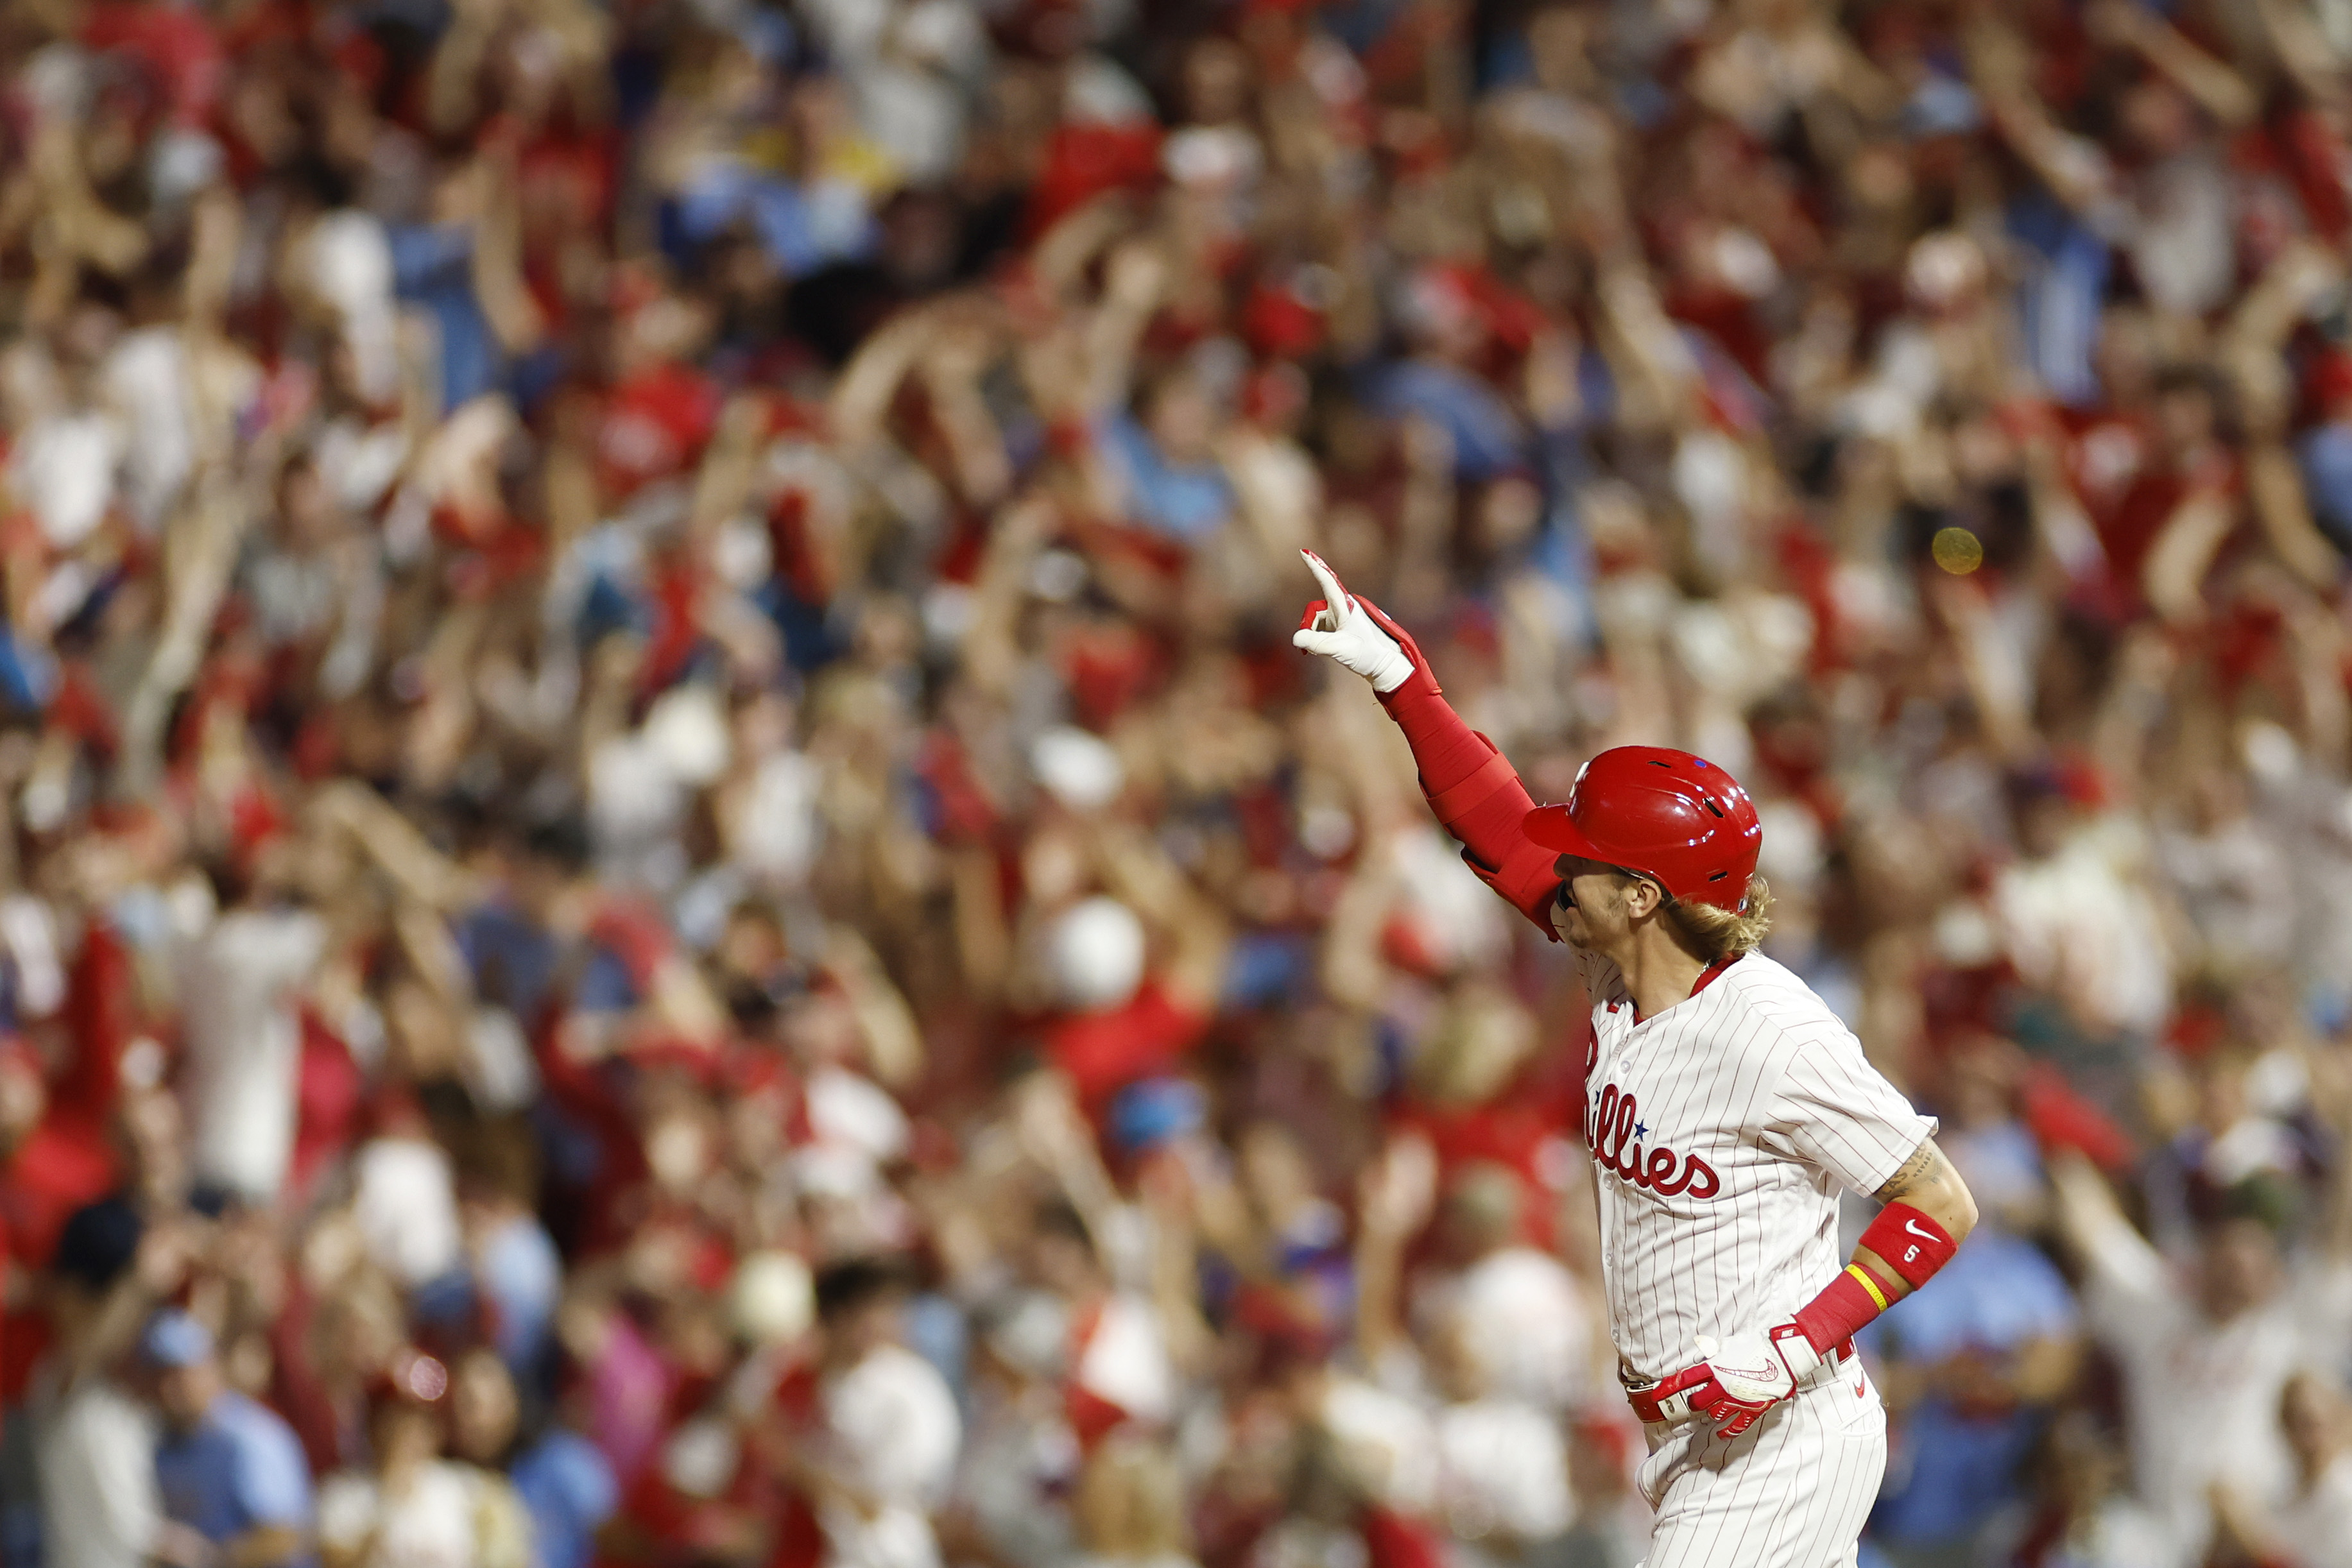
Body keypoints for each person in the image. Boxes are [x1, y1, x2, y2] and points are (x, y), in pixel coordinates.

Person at [1292, 550, 1979, 1565]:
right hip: (1690, 1441)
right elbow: (1501, 834)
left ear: (1643, 896)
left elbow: (1939, 1201)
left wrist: (1800, 1344)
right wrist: (1406, 690)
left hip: (1783, 1440)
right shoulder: (1622, 972)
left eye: (1585, 859)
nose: (1558, 866)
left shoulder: (1771, 1032)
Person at [145, 1308, 316, 1568]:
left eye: (180, 1375)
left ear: (211, 1370)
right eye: (159, 1375)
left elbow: (285, 1536)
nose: (168, 1389)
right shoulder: (159, 1440)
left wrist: (210, 1557)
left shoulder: (252, 1438)